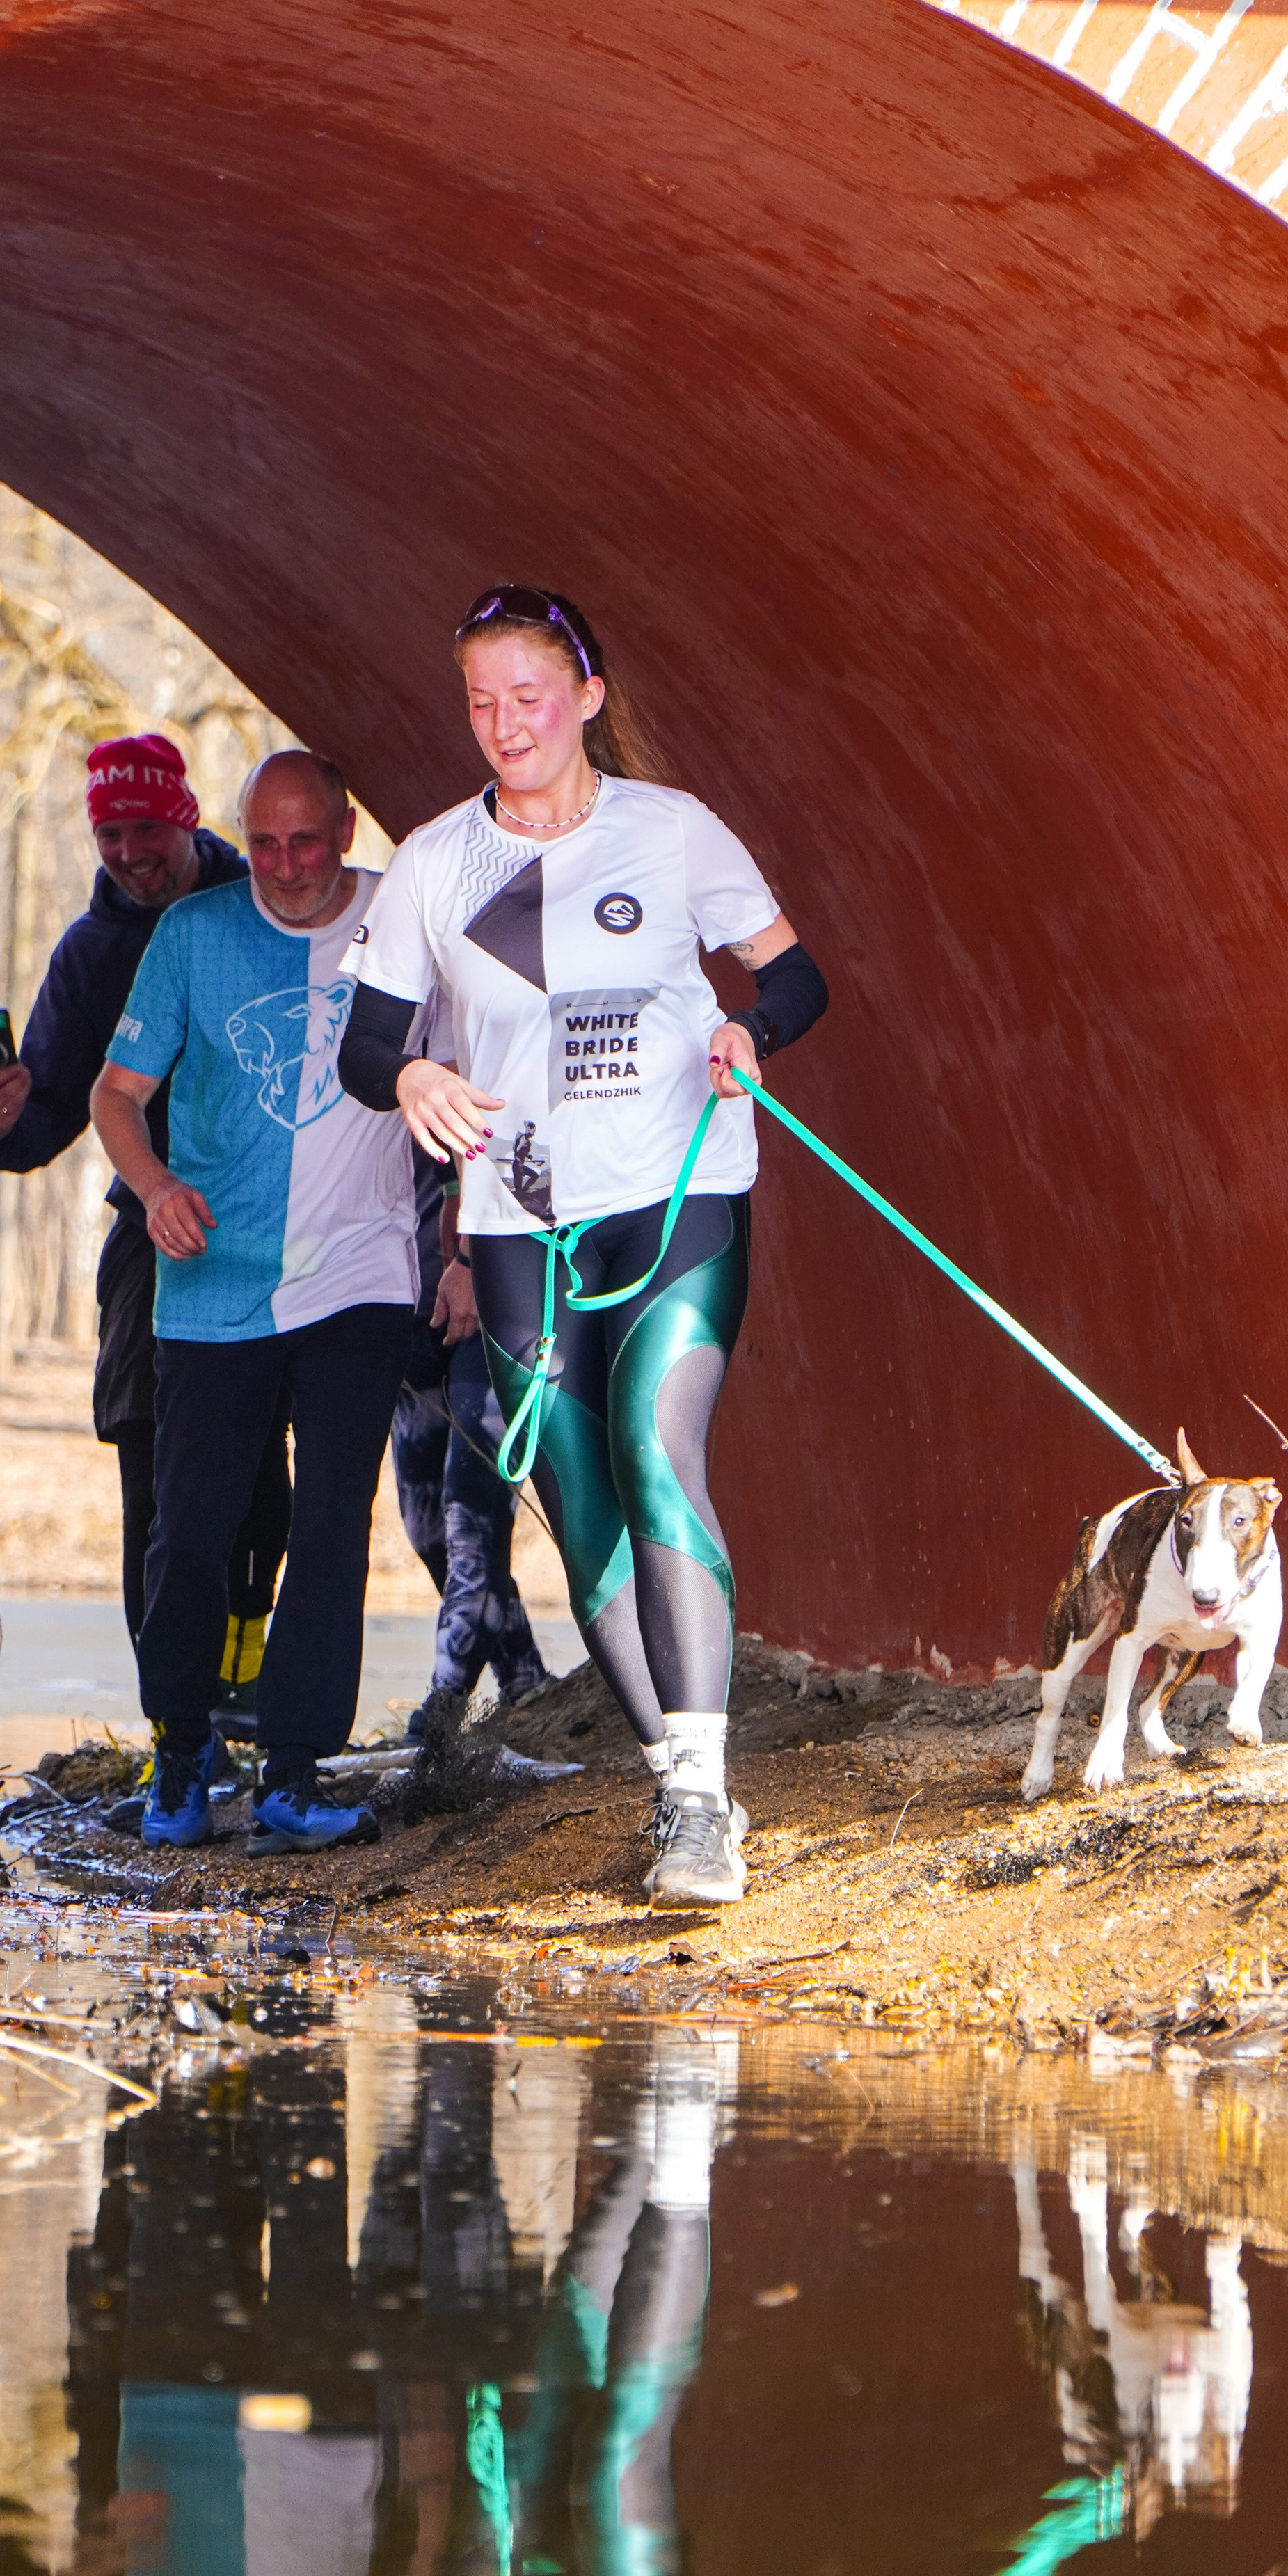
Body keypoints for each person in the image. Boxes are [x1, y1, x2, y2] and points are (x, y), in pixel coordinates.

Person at [339, 584, 827, 1905]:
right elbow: (367, 1047)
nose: (507, 724)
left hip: (675, 1196)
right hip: (518, 1224)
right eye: (482, 703)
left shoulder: (670, 831)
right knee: (576, 1499)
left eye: (531, 697)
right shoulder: (436, 862)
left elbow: (796, 975)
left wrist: (749, 1032)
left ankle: (704, 1805)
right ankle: (678, 1781)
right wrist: (412, 1079)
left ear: (588, 698)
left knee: (655, 1451)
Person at [90, 747, 417, 1853]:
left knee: (330, 1522)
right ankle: (181, 1753)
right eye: (263, 843)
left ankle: (294, 1770)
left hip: (362, 1274)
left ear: (346, 831)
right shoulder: (194, 935)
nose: (282, 865)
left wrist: (466, 1242)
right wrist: (154, 1188)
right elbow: (116, 1094)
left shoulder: (402, 920)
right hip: (213, 1278)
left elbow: (479, 1069)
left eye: (305, 841)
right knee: (191, 1530)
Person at [0, 733, 292, 1721]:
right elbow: (51, 1114)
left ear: (185, 819)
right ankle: (173, 1716)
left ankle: (247, 1674)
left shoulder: (264, 904)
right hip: (151, 1228)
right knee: (149, 1463)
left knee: (260, 1477)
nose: (130, 853)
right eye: (110, 835)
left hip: (279, 1224)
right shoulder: (91, 952)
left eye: (147, 829)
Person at [389, 1136, 549, 1729]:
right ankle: (526, 1683)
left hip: (498, 1297)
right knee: (427, 1529)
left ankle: (441, 1713)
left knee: (471, 1525)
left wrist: (472, 1258)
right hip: (408, 1305)